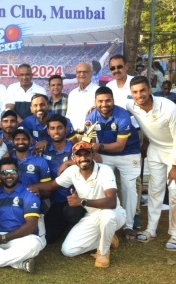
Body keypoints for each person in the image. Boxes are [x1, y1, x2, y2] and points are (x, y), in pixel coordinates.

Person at [30, 141, 126, 268]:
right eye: (78, 155)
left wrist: (82, 202)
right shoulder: (72, 171)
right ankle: (107, 237)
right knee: (68, 250)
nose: (83, 158)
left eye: (86, 154)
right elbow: (52, 185)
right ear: (73, 158)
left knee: (106, 216)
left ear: (92, 155)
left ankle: (103, 253)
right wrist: (28, 188)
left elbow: (111, 202)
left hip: (113, 213)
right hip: (92, 216)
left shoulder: (105, 170)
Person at [127, 76, 176, 251]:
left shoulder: (169, 108)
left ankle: (175, 234)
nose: (139, 95)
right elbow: (113, 106)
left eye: (142, 90)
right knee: (155, 189)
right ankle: (151, 229)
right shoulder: (130, 105)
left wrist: (175, 166)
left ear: (149, 90)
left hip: (174, 149)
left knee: (174, 190)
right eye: (135, 92)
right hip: (155, 149)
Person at [86, 86, 141, 239]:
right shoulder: (91, 116)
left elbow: (120, 145)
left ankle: (129, 225)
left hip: (128, 153)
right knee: (101, 185)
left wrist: (99, 147)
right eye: (100, 101)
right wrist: (94, 152)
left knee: (129, 187)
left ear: (113, 101)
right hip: (105, 154)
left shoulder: (122, 116)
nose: (104, 104)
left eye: (108, 100)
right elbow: (89, 141)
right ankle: (105, 220)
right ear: (95, 102)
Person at [106, 54, 143, 230]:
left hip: (136, 132)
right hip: (114, 135)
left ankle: (134, 214)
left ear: (126, 66)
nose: (116, 71)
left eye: (119, 67)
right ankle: (120, 212)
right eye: (112, 68)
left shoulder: (135, 85)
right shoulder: (109, 86)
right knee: (114, 180)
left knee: (133, 179)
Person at [41, 114, 85, 244]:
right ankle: (65, 227)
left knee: (71, 212)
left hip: (76, 200)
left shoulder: (76, 148)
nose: (56, 131)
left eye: (59, 128)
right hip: (56, 201)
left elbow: (94, 161)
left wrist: (68, 163)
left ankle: (77, 228)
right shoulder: (44, 150)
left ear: (66, 129)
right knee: (48, 237)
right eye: (52, 128)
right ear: (48, 131)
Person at [65, 62, 99, 130]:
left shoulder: (99, 92)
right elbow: (68, 116)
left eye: (85, 72)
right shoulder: (72, 94)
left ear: (91, 73)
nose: (81, 74)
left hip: (92, 135)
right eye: (79, 72)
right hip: (74, 136)